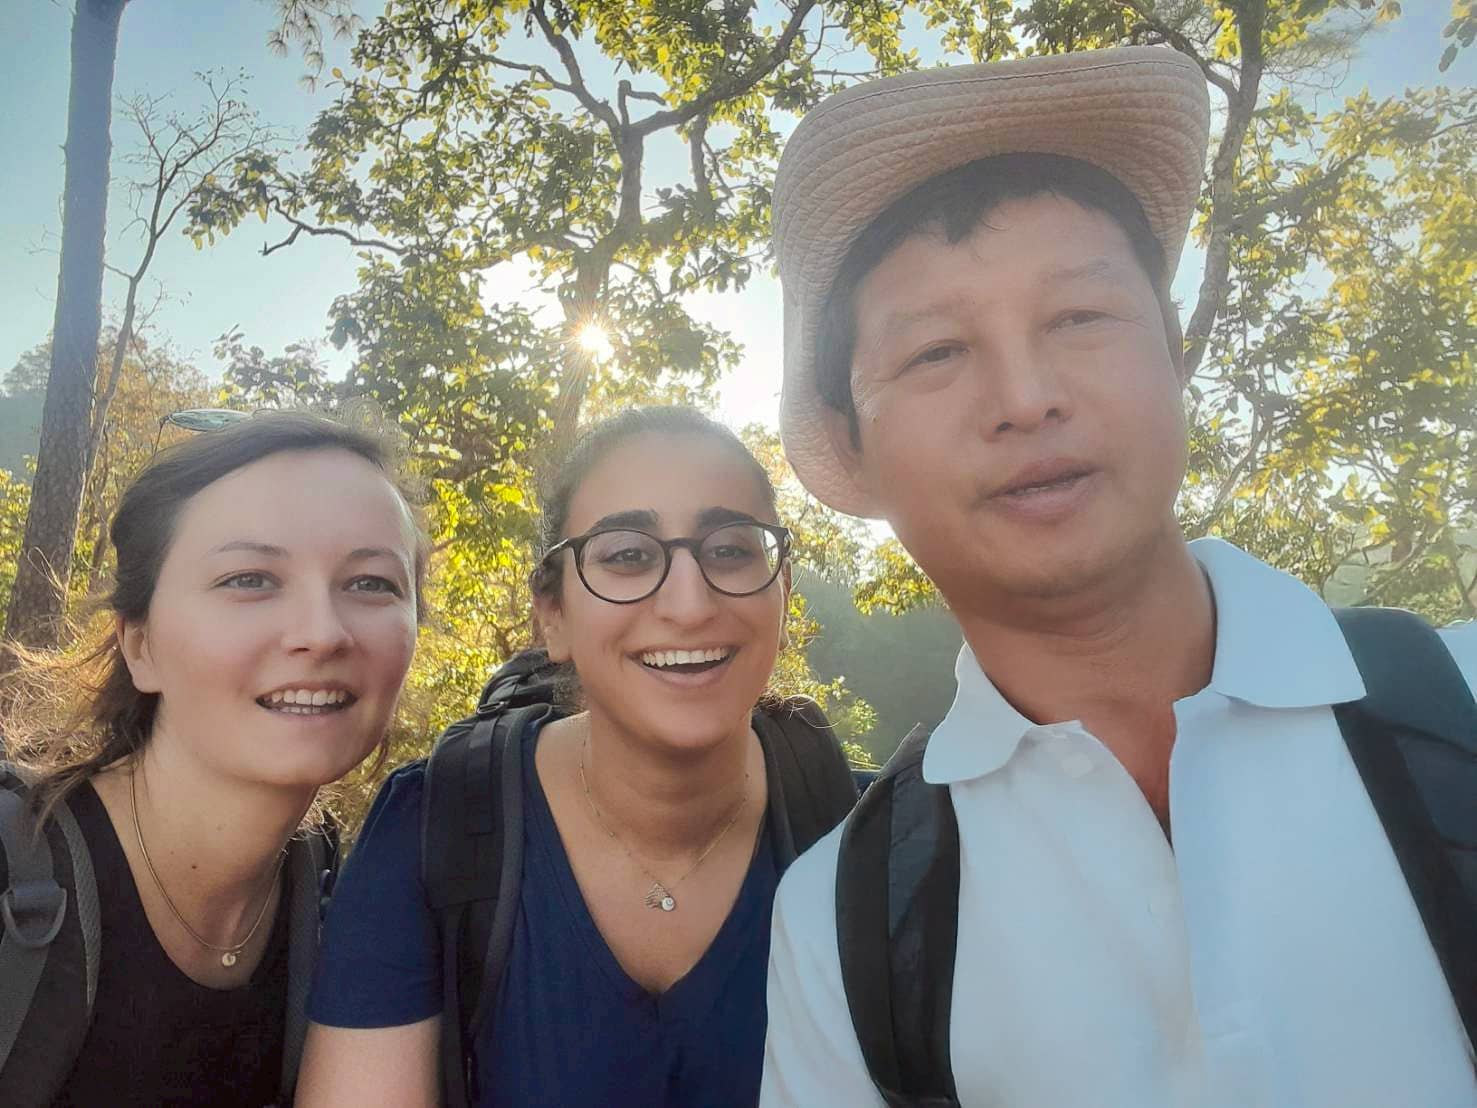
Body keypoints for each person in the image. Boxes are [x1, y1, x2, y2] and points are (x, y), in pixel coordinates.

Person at [760, 46, 1477, 1108]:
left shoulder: (1456, 708)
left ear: (1175, 351)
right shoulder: (845, 922)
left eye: (1080, 317)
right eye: (935, 354)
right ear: (850, 450)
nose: (1026, 395)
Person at [298, 406, 858, 1108]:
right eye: (626, 555)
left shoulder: (874, 841)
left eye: (730, 549)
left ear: (782, 588)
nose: (688, 604)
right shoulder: (434, 830)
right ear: (552, 616)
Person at [0, 410, 427, 1107]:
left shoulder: (335, 897)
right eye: (250, 579)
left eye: (371, 583)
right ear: (140, 645)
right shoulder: (15, 871)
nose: (321, 633)